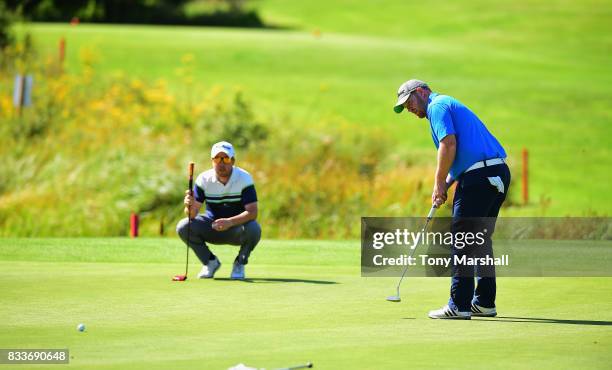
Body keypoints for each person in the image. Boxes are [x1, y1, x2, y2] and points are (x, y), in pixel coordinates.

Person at [394, 79, 511, 319]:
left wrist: (437, 182)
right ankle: (485, 302)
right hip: (496, 173)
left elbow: (448, 145)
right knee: (479, 240)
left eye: (409, 102)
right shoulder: (446, 105)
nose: (409, 109)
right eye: (404, 107)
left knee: (463, 240)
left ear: (421, 92)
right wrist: (444, 186)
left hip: (479, 177)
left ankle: (459, 305)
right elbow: (460, 159)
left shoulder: (437, 106)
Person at [176, 141, 261, 280]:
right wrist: (188, 206)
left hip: (237, 229)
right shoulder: (203, 179)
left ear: (233, 161)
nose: (221, 163)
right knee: (184, 226)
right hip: (212, 227)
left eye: (226, 158)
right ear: (212, 161)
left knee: (254, 228)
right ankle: (210, 262)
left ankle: (240, 262)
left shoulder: (244, 178)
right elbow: (192, 215)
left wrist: (230, 222)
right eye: (217, 159)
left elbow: (253, 212)